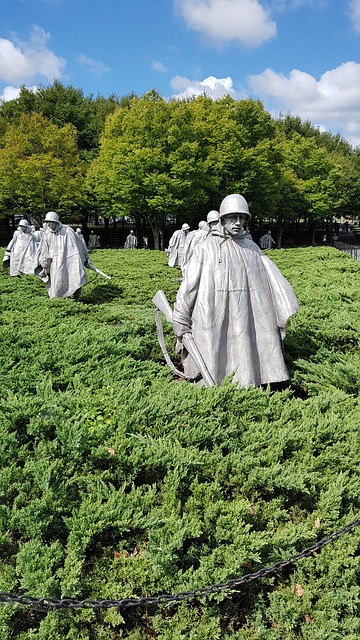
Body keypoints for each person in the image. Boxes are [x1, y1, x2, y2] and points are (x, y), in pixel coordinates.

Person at [172, 194, 299, 388]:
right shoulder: (205, 248)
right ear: (222, 220)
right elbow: (190, 286)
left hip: (248, 317)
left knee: (245, 355)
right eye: (232, 218)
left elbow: (270, 286)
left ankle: (251, 383)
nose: (238, 223)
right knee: (215, 360)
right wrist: (180, 317)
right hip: (214, 316)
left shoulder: (253, 249)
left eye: (242, 218)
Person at [34, 211, 88, 300]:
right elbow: (43, 249)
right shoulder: (47, 233)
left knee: (75, 277)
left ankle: (77, 298)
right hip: (54, 262)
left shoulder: (67, 230)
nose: (50, 224)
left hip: (70, 259)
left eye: (52, 222)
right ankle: (56, 301)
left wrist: (86, 256)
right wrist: (44, 262)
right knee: (56, 281)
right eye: (48, 222)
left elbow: (79, 244)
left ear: (56, 222)